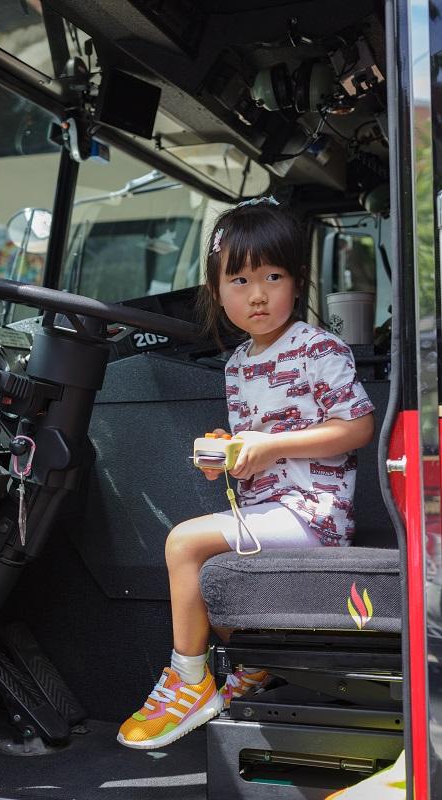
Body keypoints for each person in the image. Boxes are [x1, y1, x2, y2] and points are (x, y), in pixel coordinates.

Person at [117, 197, 375, 749]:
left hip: (314, 515)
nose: (257, 294)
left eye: (272, 275)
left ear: (298, 281)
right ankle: (255, 665)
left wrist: (272, 445)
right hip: (265, 509)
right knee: (208, 569)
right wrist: (227, 453)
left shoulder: (317, 349)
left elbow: (357, 427)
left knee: (185, 544)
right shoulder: (237, 365)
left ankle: (189, 682)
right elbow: (255, 445)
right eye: (239, 279)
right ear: (216, 291)